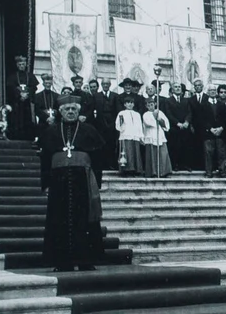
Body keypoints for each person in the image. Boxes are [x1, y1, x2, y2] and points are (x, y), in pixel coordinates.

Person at [37, 92, 106, 271]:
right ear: (60, 111)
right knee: (58, 219)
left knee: (85, 219)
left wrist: (96, 181)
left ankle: (85, 260)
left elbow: (98, 158)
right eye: (66, 109)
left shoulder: (89, 130)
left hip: (83, 180)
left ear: (78, 111)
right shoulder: (51, 131)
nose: (70, 112)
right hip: (58, 181)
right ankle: (61, 262)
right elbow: (44, 159)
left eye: (73, 109)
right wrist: (45, 182)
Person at [114, 95, 145, 176]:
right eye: (128, 103)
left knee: (135, 153)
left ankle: (135, 170)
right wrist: (121, 126)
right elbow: (118, 125)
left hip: (135, 136)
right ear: (125, 104)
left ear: (134, 104)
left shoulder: (137, 114)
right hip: (126, 135)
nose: (130, 104)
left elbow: (140, 126)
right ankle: (126, 170)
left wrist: (141, 136)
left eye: (131, 103)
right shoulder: (122, 113)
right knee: (127, 153)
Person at [143, 99, 173, 178]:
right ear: (146, 106)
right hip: (150, 134)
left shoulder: (160, 112)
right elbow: (148, 123)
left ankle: (164, 172)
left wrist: (159, 119)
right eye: (148, 105)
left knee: (163, 153)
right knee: (152, 154)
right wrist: (154, 117)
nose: (150, 107)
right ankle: (153, 172)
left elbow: (166, 123)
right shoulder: (145, 114)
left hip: (159, 134)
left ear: (155, 104)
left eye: (152, 104)